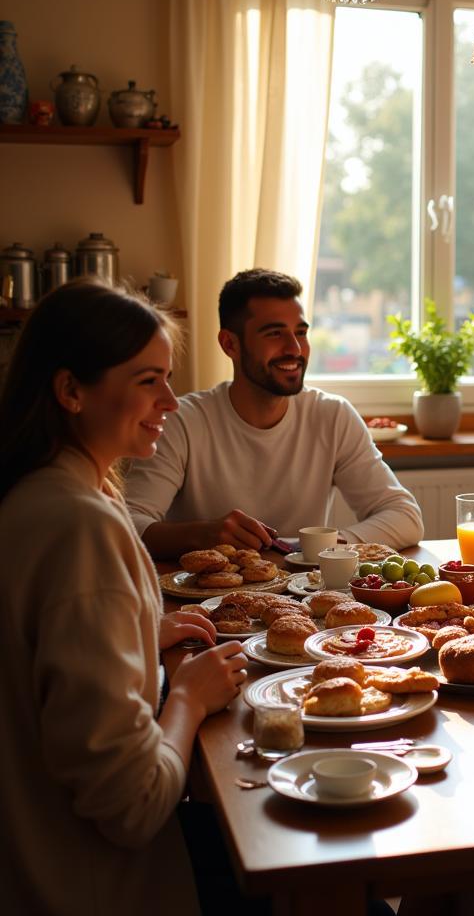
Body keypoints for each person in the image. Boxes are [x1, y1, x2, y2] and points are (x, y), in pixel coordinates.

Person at [0, 280, 248, 914]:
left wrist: (144, 632)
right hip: (90, 882)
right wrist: (189, 697)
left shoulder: (40, 492)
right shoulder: (79, 524)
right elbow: (133, 807)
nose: (170, 399)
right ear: (71, 391)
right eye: (147, 381)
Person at [125, 269, 423, 556]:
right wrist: (202, 535)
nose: (294, 348)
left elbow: (405, 517)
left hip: (304, 599)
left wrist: (323, 547)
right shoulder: (183, 421)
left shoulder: (332, 416)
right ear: (230, 344)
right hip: (207, 602)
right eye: (274, 334)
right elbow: (128, 524)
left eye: (301, 332)